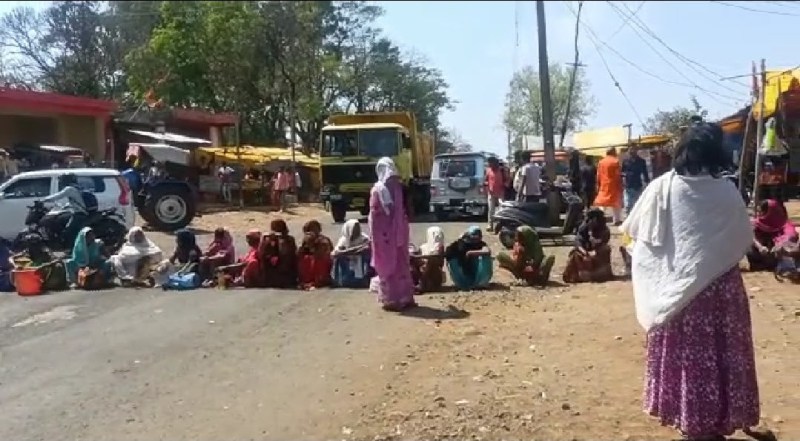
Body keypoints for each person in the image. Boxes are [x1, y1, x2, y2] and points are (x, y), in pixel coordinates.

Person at [621, 122, 759, 441]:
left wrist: (666, 271)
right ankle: (713, 426)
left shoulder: (660, 188)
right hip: (722, 293)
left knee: (689, 362)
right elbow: (742, 237)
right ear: (716, 152)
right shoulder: (726, 190)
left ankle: (692, 424)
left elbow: (636, 237)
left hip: (677, 295)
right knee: (720, 357)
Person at [368, 157, 416, 311]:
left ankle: (391, 299)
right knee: (400, 263)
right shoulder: (396, 185)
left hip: (383, 233)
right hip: (398, 231)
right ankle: (405, 297)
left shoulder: (379, 188)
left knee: (387, 263)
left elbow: (377, 213)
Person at [563, 208, 613, 283]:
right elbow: (578, 241)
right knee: (574, 253)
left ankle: (600, 275)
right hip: (585, 251)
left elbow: (603, 241)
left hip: (598, 251)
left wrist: (595, 248)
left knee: (606, 249)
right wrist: (584, 252)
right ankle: (578, 275)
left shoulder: (604, 229)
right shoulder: (583, 228)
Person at [747, 199, 799, 271]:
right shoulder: (758, 223)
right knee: (749, 246)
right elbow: (751, 235)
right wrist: (760, 247)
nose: (759, 215)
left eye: (762, 212)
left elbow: (790, 237)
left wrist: (779, 246)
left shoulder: (785, 226)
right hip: (762, 253)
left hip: (776, 256)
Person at [40, 173, 88, 242]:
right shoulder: (77, 187)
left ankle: (72, 248)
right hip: (81, 212)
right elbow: (77, 201)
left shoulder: (69, 189)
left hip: (79, 214)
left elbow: (58, 196)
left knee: (69, 231)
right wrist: (65, 206)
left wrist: (44, 200)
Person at [445, 226, 493, 290]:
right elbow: (448, 254)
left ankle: (480, 283)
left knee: (485, 257)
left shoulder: (480, 244)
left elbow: (487, 251)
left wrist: (470, 253)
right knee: (453, 259)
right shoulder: (459, 245)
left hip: (476, 274)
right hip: (461, 275)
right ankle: (463, 284)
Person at [331, 219, 372, 288]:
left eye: (358, 227)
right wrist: (350, 252)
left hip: (360, 260)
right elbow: (336, 252)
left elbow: (365, 248)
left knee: (363, 256)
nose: (357, 230)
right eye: (354, 228)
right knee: (338, 258)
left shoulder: (364, 238)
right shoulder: (344, 240)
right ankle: (340, 280)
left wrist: (350, 252)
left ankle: (363, 280)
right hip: (348, 260)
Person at [260, 219, 298, 288]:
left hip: (286, 274)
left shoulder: (289, 240)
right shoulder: (268, 240)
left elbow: (287, 254)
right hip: (273, 274)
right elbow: (263, 255)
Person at [297, 220, 334, 290]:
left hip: (322, 265)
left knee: (314, 260)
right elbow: (301, 252)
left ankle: (316, 280)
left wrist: (313, 246)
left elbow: (324, 254)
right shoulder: (307, 239)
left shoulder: (324, 240)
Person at [412, 226, 446, 293]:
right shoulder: (423, 247)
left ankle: (422, 285)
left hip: (433, 275)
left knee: (432, 260)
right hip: (422, 270)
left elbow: (437, 258)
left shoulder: (440, 248)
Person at [594, 147, 623, 225]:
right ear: (613, 152)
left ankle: (600, 218)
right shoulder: (616, 161)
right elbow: (618, 175)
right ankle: (616, 220)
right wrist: (620, 184)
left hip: (603, 184)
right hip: (613, 184)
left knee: (602, 202)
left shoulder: (601, 162)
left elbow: (598, 175)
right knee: (616, 203)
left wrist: (598, 184)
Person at [621, 145, 650, 214]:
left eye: (634, 150)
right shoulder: (625, 161)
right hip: (628, 185)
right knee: (628, 204)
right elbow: (622, 172)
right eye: (630, 150)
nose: (632, 151)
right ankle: (628, 218)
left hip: (638, 185)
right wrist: (622, 181)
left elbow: (645, 173)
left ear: (637, 151)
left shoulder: (641, 161)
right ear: (628, 151)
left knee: (638, 203)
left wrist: (647, 182)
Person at [485, 156, 507, 231]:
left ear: (495, 163)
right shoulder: (488, 170)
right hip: (491, 193)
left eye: (491, 163)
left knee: (502, 209)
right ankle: (490, 225)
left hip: (500, 192)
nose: (490, 165)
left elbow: (507, 180)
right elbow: (486, 181)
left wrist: (504, 185)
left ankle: (501, 225)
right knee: (491, 210)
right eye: (489, 163)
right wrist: (487, 188)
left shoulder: (501, 170)